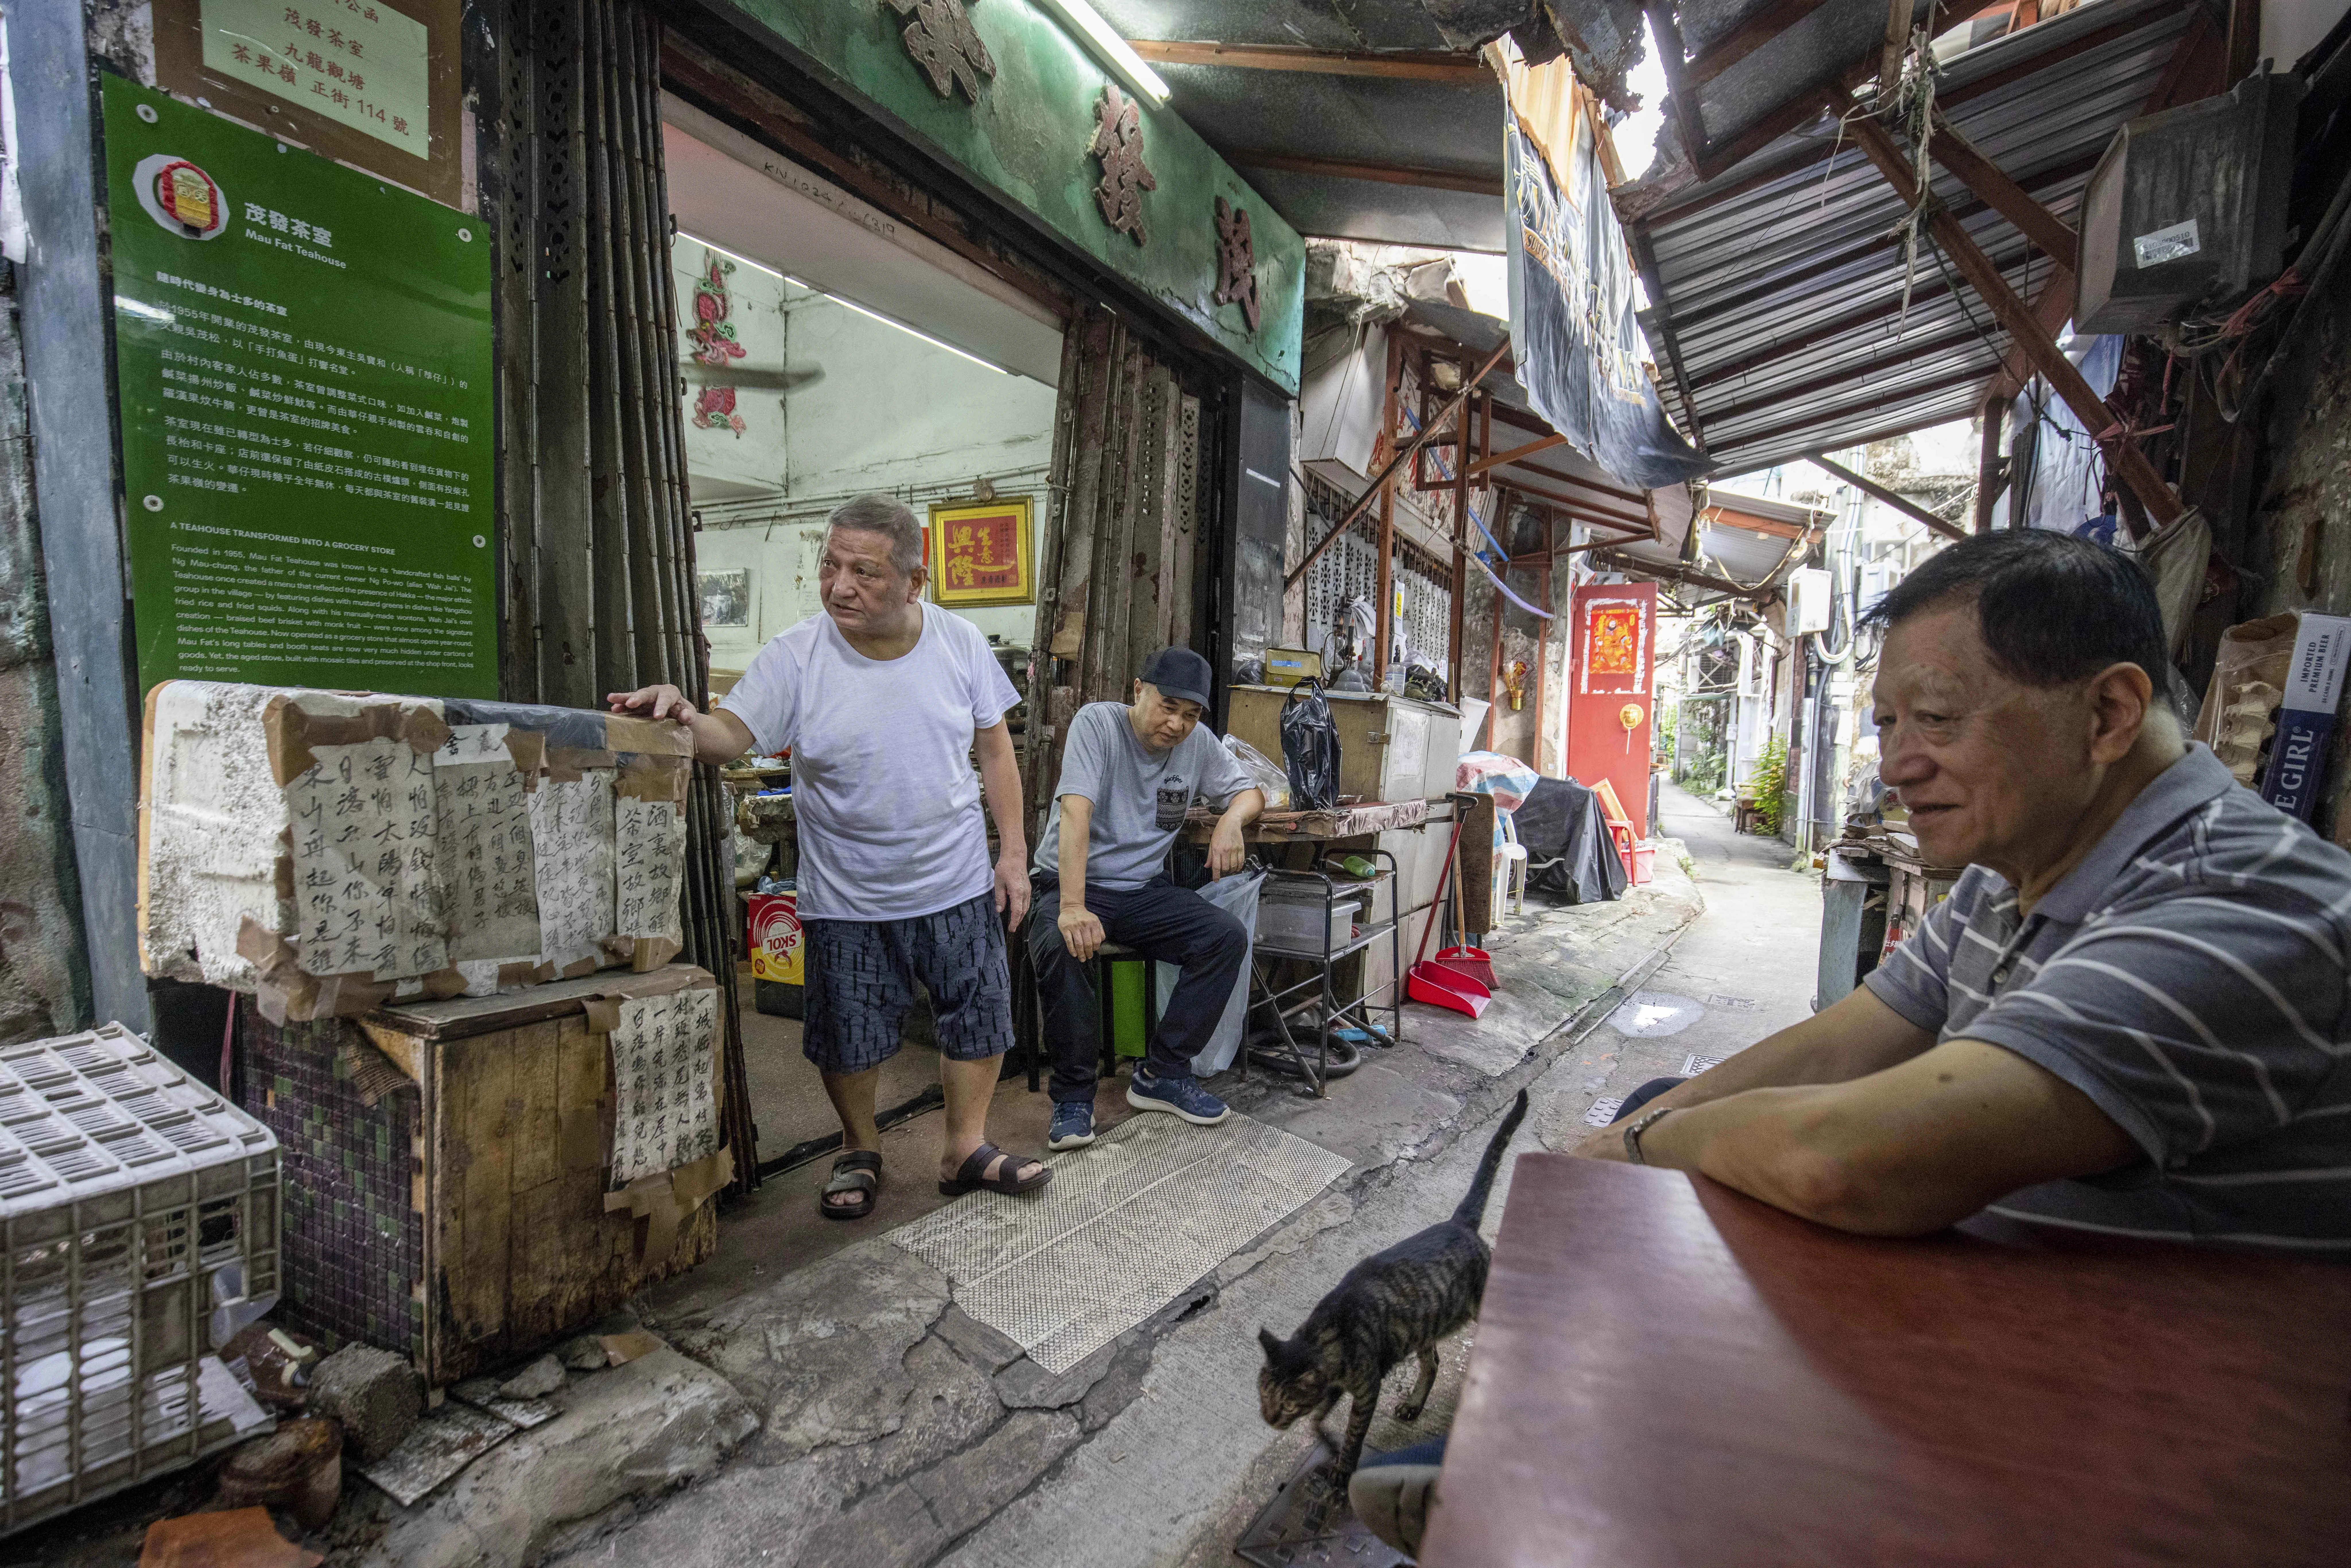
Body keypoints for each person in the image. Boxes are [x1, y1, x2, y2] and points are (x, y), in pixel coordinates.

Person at [1351, 529, 2351, 1551]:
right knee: (1668, 1102)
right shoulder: (2021, 868)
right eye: (1885, 723)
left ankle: (1616, 1478)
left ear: (2107, 713)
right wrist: (1645, 1125)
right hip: (2020, 1293)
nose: (1898, 763)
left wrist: (1647, 1145)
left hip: (2158, 1410)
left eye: (1937, 720)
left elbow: (1851, 1160)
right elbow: (1848, 1040)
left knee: (1696, 1157)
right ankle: (1573, 1437)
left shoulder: (2241, 904)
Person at [609, 494, 1048, 1220]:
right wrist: (686, 715)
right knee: (849, 1034)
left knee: (978, 1014)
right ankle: (859, 1145)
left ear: (915, 581)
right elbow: (729, 736)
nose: (841, 585)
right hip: (848, 894)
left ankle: (963, 1146)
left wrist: (1013, 851)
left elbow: (994, 745)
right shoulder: (798, 655)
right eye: (831, 565)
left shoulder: (959, 641)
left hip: (956, 878)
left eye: (865, 572)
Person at [1028, 647, 1266, 1150]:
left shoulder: (1198, 744)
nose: (1178, 724)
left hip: (1140, 892)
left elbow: (1251, 792)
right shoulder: (1098, 725)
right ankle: (1073, 1099)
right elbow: (1076, 815)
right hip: (1069, 884)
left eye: (1192, 714)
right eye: (1168, 706)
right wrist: (1073, 906)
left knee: (1224, 937)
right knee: (1061, 946)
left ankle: (1162, 1073)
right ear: (1139, 691)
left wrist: (1230, 820)